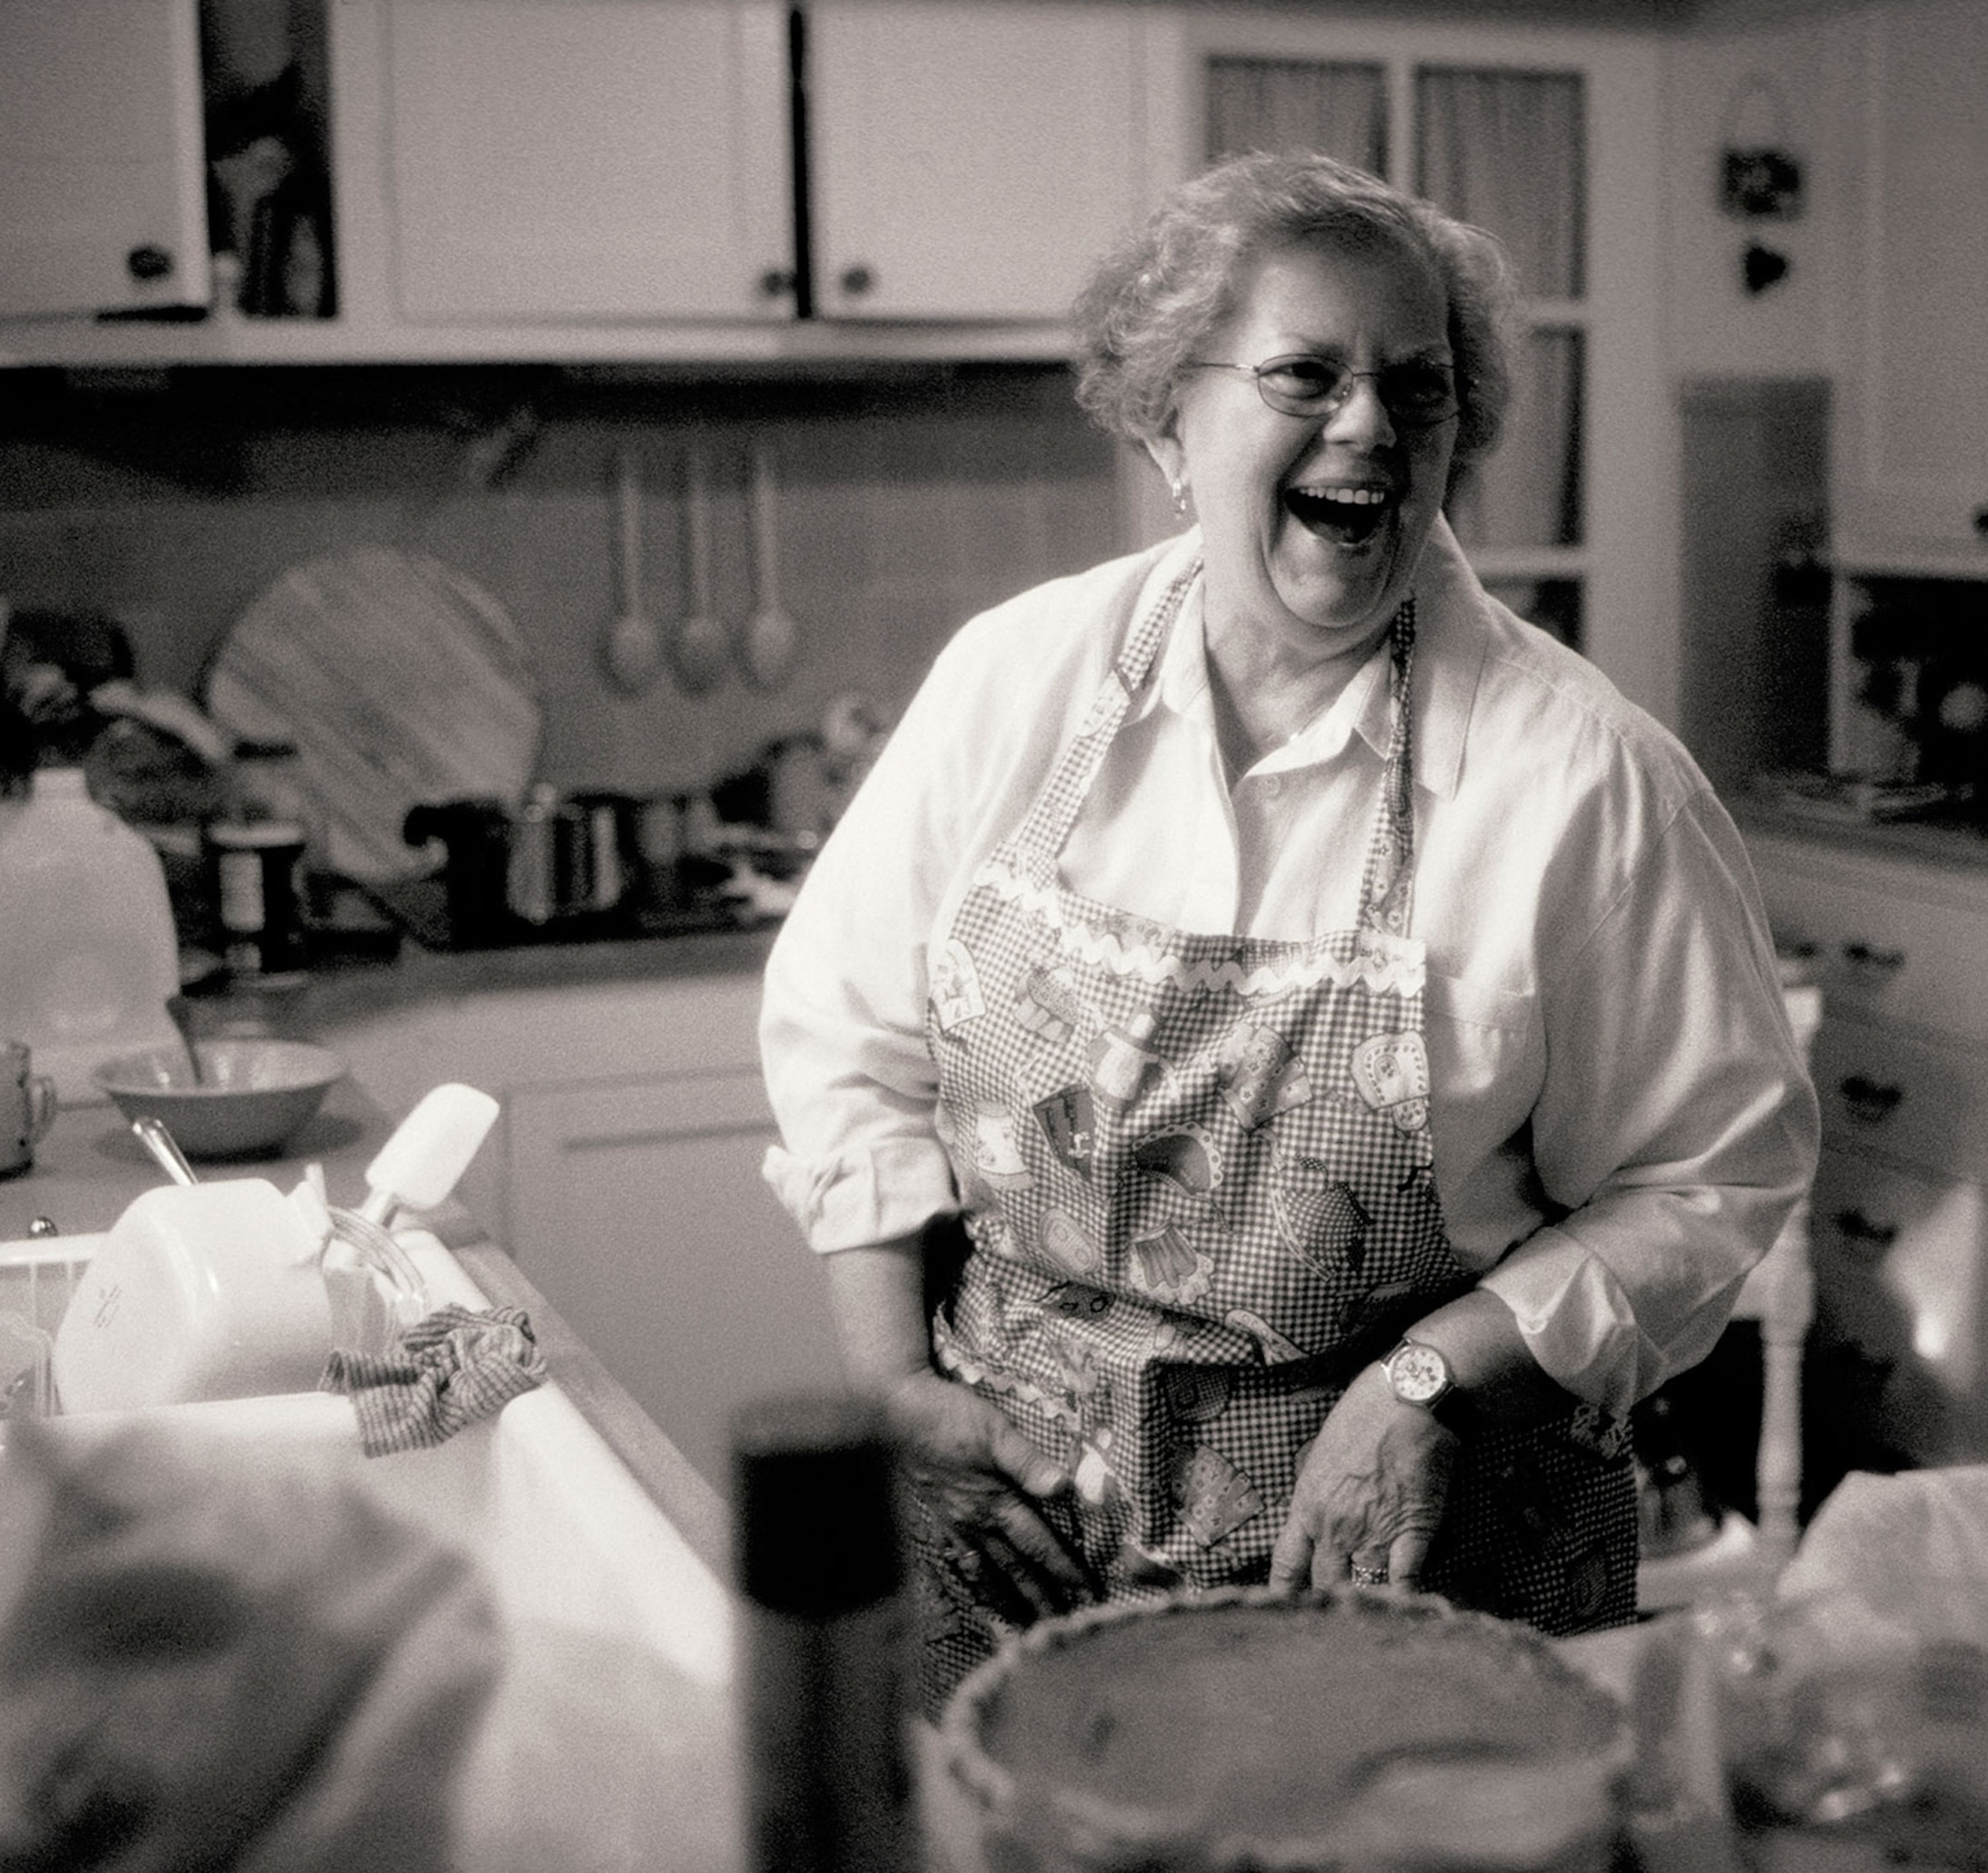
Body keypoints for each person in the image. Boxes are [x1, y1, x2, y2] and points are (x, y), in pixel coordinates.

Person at [759, 150, 1819, 1707]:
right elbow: (848, 1023)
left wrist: (1428, 1381)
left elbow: (1712, 1177)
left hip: (1409, 1572)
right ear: (1165, 420)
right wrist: (895, 1380)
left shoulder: (1580, 776)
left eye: (1418, 387)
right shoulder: (1017, 680)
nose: (1372, 426)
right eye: (1306, 374)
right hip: (1008, 1548)